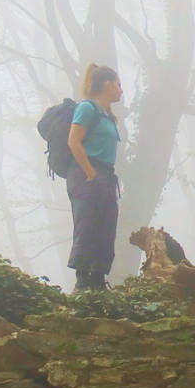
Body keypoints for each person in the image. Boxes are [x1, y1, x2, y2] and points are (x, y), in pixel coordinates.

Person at [66, 63, 124, 292]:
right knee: (87, 223)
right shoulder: (87, 109)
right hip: (86, 172)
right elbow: (73, 141)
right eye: (118, 85)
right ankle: (82, 281)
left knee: (106, 225)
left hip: (106, 175)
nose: (121, 90)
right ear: (107, 84)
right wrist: (89, 171)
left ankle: (98, 279)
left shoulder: (108, 116)